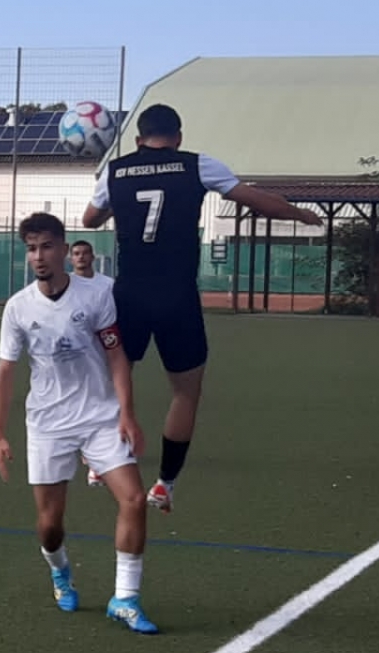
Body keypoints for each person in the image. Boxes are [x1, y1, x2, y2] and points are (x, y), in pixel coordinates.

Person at [81, 103, 323, 514]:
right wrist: (299, 214)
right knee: (185, 393)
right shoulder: (196, 165)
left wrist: (115, 202)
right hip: (177, 296)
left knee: (112, 381)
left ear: (138, 139)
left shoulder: (116, 171)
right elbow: (258, 200)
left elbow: (89, 220)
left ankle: (100, 464)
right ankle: (165, 484)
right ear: (178, 137)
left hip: (130, 294)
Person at [0, 212, 157, 634]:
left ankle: (125, 599)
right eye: (31, 249)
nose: (39, 256)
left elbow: (116, 355)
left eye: (47, 247)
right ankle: (59, 570)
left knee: (135, 499)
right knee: (50, 525)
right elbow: (6, 371)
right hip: (48, 423)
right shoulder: (18, 307)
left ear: (65, 250)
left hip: (101, 417)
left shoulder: (96, 295)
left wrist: (127, 413)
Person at [70, 238, 118, 488]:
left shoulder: (107, 285)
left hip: (105, 350)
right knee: (81, 401)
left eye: (85, 253)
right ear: (71, 258)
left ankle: (104, 451)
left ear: (92, 257)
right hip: (78, 354)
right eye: (76, 253)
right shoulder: (66, 285)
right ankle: (91, 458)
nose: (80, 257)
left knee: (108, 400)